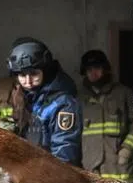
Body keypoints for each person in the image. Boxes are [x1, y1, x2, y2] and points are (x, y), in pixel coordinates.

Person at [8, 38, 82, 166]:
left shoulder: (63, 103)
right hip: (32, 173)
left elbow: (65, 152)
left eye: (34, 74)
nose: (28, 81)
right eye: (22, 75)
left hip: (54, 178)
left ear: (46, 71)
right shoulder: (24, 99)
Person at [79, 49, 133, 183]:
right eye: (89, 69)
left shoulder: (124, 93)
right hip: (90, 169)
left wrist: (127, 149)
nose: (93, 73)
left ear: (105, 69)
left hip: (119, 169)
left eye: (97, 68)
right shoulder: (80, 99)